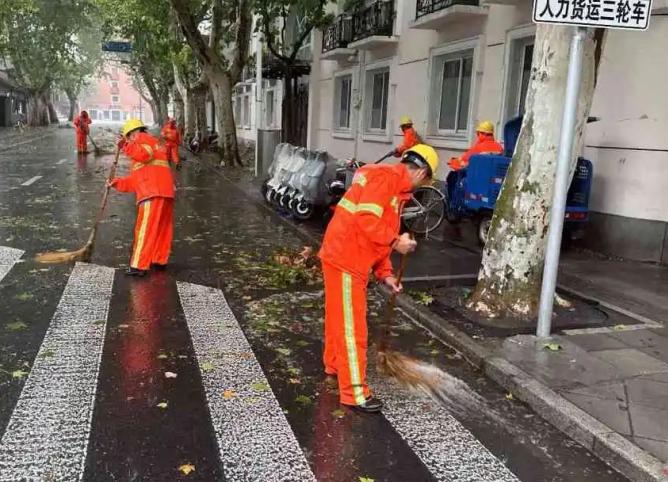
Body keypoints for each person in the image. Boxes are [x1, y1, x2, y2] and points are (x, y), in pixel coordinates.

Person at [319, 144, 439, 413]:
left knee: (338, 318)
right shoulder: (386, 180)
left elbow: (375, 234)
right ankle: (354, 393)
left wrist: (385, 274)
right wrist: (397, 241)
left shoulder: (391, 185)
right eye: (427, 180)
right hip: (348, 258)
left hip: (344, 254)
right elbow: (366, 220)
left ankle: (336, 364)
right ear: (421, 173)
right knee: (352, 328)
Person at [108, 119, 175, 277]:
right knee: (161, 230)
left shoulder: (141, 138)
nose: (130, 140)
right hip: (164, 192)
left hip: (151, 193)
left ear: (134, 133)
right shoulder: (155, 144)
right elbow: (136, 182)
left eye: (129, 137)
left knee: (144, 230)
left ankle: (139, 265)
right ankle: (159, 260)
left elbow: (144, 155)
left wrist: (124, 145)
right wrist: (116, 183)